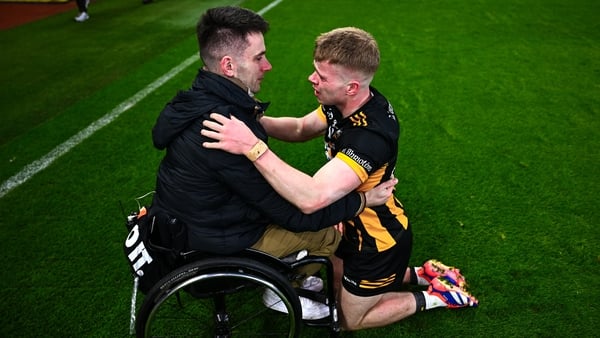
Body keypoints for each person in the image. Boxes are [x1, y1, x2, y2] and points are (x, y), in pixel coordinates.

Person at [201, 27, 479, 330]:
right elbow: (299, 128)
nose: (312, 78)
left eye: (322, 76)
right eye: (315, 70)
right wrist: (254, 122)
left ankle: (438, 296)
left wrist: (251, 146)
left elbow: (313, 197)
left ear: (351, 87)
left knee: (346, 320)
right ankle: (423, 273)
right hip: (344, 222)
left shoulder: (370, 136)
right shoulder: (343, 103)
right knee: (336, 291)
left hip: (375, 241)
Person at [149, 7, 395, 320]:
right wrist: (360, 201)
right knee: (328, 232)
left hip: (187, 225)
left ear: (351, 89)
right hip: (213, 241)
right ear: (228, 65)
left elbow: (299, 129)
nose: (268, 65)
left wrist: (254, 123)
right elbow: (300, 207)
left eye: (321, 76)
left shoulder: (199, 101)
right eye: (258, 57)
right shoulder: (227, 131)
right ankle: (280, 292)